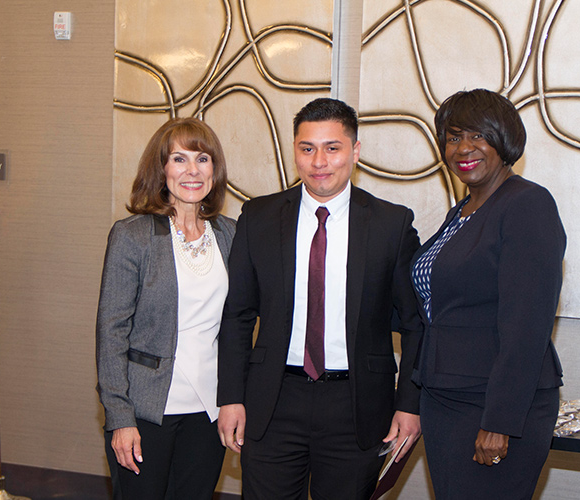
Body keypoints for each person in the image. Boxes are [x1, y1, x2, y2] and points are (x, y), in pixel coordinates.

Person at [217, 97, 422, 500]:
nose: (319, 161)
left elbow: (416, 324)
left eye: (333, 148)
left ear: (355, 151)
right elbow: (237, 315)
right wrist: (230, 398)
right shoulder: (258, 216)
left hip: (357, 405)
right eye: (307, 148)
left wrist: (410, 405)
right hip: (273, 400)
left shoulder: (391, 224)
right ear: (295, 150)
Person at [411, 88, 565, 499]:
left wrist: (500, 420)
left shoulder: (528, 205)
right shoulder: (462, 211)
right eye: (454, 136)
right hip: (445, 399)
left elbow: (527, 325)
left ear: (504, 139)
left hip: (492, 407)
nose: (464, 148)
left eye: (478, 136)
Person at [96, 117, 236, 500]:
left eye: (203, 159)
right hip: (146, 411)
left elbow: (240, 324)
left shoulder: (230, 234)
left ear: (214, 169)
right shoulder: (133, 236)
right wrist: (119, 418)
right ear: (161, 169)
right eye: (179, 159)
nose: (192, 171)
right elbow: (111, 333)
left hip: (208, 411)